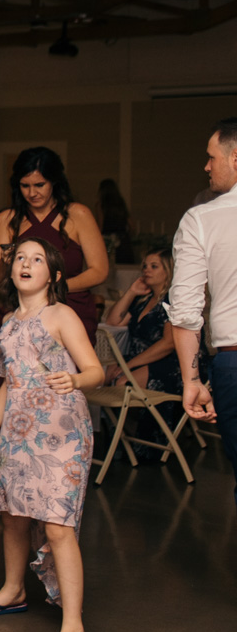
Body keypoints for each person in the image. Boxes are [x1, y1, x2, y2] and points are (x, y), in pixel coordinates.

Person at [0, 236, 104, 632]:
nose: (26, 264)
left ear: (55, 274)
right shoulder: (8, 321)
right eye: (20, 258)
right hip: (19, 430)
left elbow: (96, 370)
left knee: (59, 525)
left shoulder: (61, 315)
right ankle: (12, 590)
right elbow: (10, 383)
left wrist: (75, 380)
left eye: (37, 259)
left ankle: (74, 629)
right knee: (13, 515)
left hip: (62, 431)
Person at [168, 116, 237, 510]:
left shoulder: (202, 219)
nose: (207, 166)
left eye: (212, 157)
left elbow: (186, 310)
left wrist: (191, 379)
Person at [0, 147, 108, 339]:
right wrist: (5, 261)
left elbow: (99, 271)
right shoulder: (6, 219)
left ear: (54, 181)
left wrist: (51, 288)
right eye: (25, 186)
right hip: (21, 310)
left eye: (39, 185)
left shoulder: (79, 215)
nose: (32, 193)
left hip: (70, 308)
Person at [102, 248, 178, 391]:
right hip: (139, 358)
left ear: (169, 270)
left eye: (154, 266)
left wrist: (129, 366)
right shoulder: (144, 300)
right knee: (104, 377)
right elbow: (113, 322)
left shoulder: (173, 300)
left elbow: (168, 344)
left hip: (168, 361)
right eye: (145, 266)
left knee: (123, 384)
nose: (146, 270)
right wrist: (131, 291)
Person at [96, 178, 135, 265]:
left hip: (108, 242)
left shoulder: (101, 205)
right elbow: (132, 226)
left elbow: (100, 226)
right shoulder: (120, 204)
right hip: (123, 242)